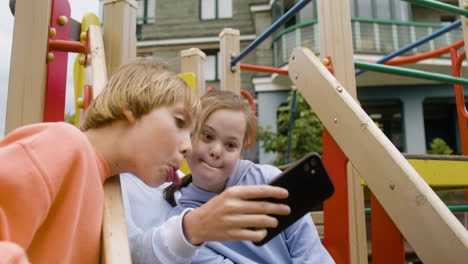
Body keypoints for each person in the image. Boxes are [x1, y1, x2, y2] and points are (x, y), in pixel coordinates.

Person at [0, 57, 290, 264]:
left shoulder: (107, 190)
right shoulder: (64, 144)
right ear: (131, 109)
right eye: (179, 123)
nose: (188, 147)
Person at [164, 90, 335, 263]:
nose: (216, 151)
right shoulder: (183, 227)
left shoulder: (269, 180)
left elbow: (310, 253)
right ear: (189, 135)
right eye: (207, 136)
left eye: (230, 145)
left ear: (241, 151)